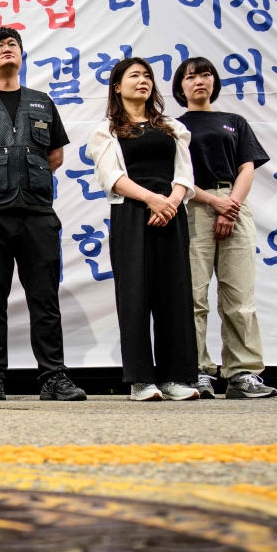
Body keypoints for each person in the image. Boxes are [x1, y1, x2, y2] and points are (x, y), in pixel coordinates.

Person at [0, 27, 86, 402]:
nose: (6, 49)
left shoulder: (42, 101)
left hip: (37, 213)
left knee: (45, 297)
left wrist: (27, 178)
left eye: (13, 45)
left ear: (21, 56)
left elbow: (54, 155)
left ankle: (54, 376)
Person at [87, 58, 199, 401]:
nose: (143, 80)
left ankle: (176, 378)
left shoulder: (171, 127)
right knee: (135, 294)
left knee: (176, 294)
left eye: (147, 75)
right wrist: (152, 199)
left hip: (171, 213)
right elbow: (112, 178)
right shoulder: (107, 130)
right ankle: (140, 380)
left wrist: (171, 202)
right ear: (117, 87)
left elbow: (184, 174)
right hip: (133, 213)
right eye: (134, 75)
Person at [173, 58, 277, 399]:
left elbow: (247, 167)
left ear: (215, 82)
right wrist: (213, 203)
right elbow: (176, 176)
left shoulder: (234, 122)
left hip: (234, 203)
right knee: (193, 296)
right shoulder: (174, 126)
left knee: (240, 296)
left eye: (205, 75)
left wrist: (229, 206)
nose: (199, 81)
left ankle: (243, 373)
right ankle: (197, 372)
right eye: (191, 77)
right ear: (181, 86)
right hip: (192, 204)